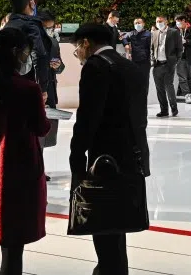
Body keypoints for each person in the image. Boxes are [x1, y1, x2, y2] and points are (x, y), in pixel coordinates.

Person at [0, 28, 51, 275]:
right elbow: (41, 127)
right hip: (19, 174)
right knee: (13, 250)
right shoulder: (28, 89)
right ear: (17, 52)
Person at [70, 24, 149, 275]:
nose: (78, 54)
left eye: (77, 48)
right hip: (130, 155)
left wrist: (76, 157)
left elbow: (87, 119)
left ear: (85, 43)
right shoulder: (131, 67)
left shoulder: (96, 67)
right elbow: (140, 118)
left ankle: (108, 269)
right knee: (118, 223)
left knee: (102, 223)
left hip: (103, 158)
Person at [4, 0, 50, 103]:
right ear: (31, 3)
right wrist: (42, 88)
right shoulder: (30, 26)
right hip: (25, 84)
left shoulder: (7, 26)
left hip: (5, 83)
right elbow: (39, 55)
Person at [151, 15, 182, 118]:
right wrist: (152, 59)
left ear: (166, 22)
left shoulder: (174, 32)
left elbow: (179, 49)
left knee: (169, 86)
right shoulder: (154, 33)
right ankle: (164, 110)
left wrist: (175, 61)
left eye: (160, 21)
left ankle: (174, 108)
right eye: (157, 21)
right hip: (157, 64)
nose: (158, 23)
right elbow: (152, 48)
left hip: (169, 64)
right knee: (159, 89)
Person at [40, 13, 64, 109]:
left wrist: (58, 66)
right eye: (46, 27)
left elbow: (61, 67)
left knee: (52, 121)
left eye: (51, 28)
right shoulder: (30, 41)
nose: (48, 30)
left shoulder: (54, 43)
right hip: (35, 88)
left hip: (51, 89)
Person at [123, 17, 152, 95]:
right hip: (134, 61)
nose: (137, 24)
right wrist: (126, 44)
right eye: (135, 23)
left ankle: (144, 100)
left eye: (139, 23)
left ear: (143, 24)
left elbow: (152, 47)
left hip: (145, 61)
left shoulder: (149, 34)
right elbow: (124, 38)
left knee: (145, 82)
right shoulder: (131, 33)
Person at [175, 14, 191, 104]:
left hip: (190, 56)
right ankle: (186, 95)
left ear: (184, 21)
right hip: (179, 57)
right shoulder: (175, 30)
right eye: (176, 22)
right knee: (182, 77)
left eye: (179, 21)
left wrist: (186, 41)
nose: (177, 23)